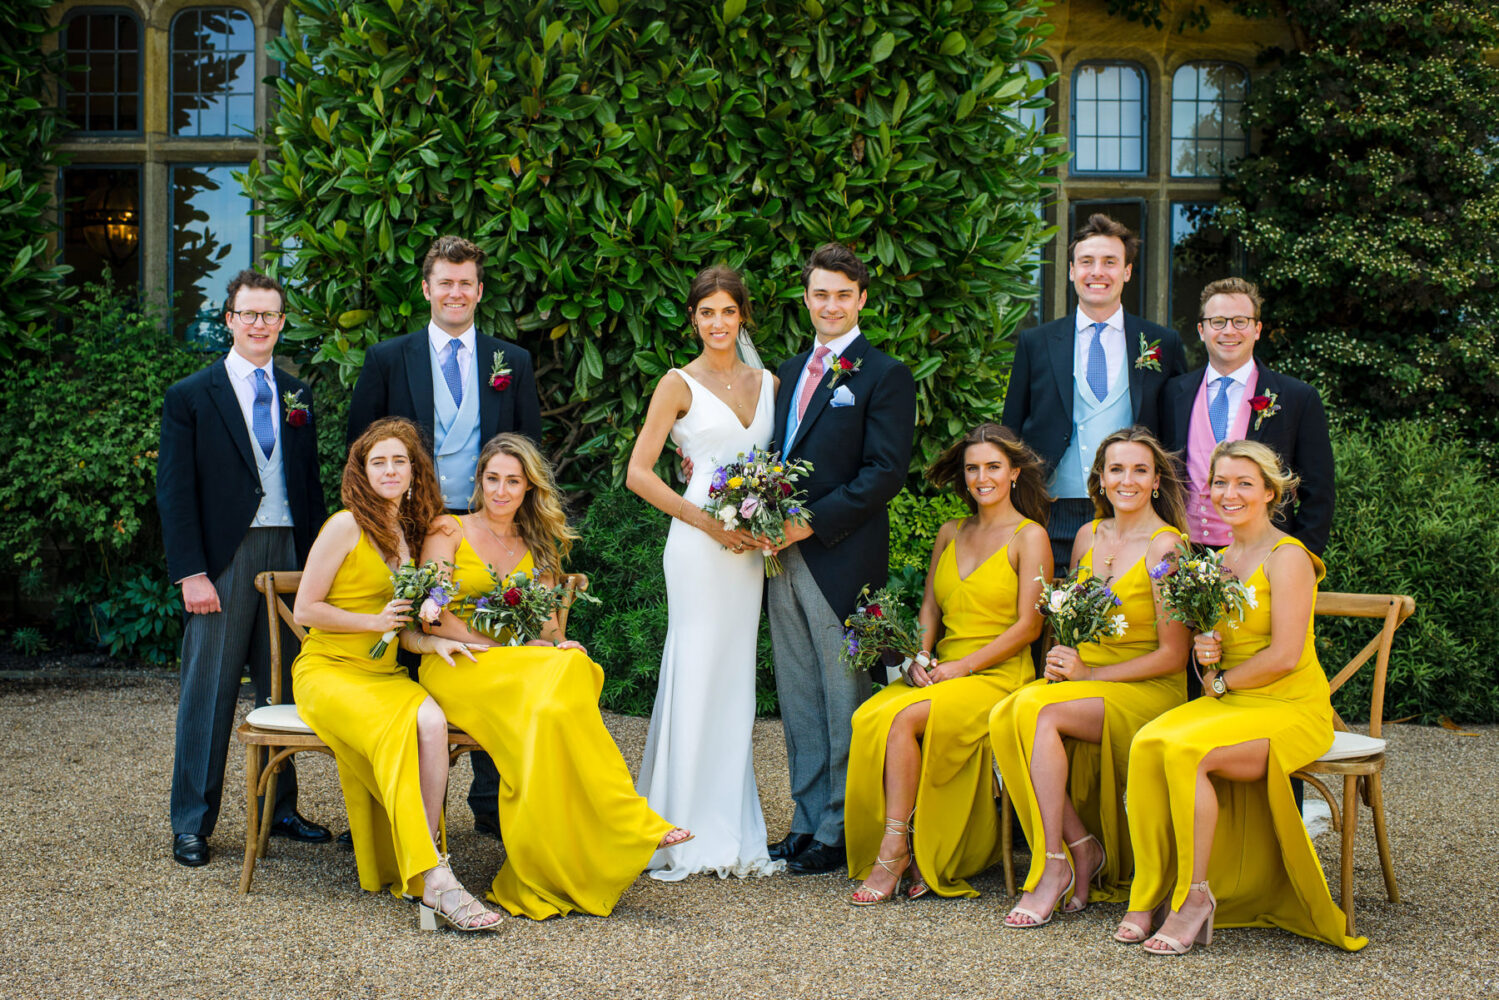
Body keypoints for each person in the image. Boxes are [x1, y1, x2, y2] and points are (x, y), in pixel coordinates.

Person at [417, 433, 692, 918]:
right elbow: (433, 618)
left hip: (518, 671)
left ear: (528, 489)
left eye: (513, 481)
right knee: (563, 675)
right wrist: (509, 647)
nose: (501, 491)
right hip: (457, 663)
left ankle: (560, 854)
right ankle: (627, 814)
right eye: (493, 479)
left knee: (570, 664)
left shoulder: (538, 544)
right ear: (479, 482)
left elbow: (544, 630)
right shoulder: (448, 530)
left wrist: (555, 643)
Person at [1124, 439, 1365, 953]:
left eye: (1243, 483)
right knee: (1147, 743)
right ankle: (1148, 895)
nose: (1228, 493)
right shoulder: (1219, 560)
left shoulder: (1289, 557)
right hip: (1230, 701)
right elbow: (1212, 654)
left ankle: (1196, 897)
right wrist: (1204, 649)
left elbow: (1283, 656)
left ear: (1271, 492)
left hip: (1290, 708)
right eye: (1220, 482)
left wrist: (1221, 682)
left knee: (1189, 753)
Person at [346, 234, 542, 837]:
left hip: (492, 528)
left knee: (495, 640)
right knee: (415, 653)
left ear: (479, 291)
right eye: (445, 282)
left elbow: (528, 449)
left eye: (466, 283)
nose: (456, 292)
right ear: (427, 289)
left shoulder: (512, 360)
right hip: (409, 529)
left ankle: (490, 804)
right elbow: (361, 454)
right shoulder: (387, 359)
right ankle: (406, 809)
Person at [290, 418, 500, 932]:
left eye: (399, 461)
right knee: (401, 729)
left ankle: (428, 870)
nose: (389, 469)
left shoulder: (407, 537)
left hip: (382, 673)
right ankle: (436, 879)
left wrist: (435, 640)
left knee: (430, 721)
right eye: (377, 461)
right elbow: (305, 609)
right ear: (362, 471)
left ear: (414, 472)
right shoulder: (344, 525)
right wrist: (372, 621)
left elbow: (401, 630)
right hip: (329, 671)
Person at [157, 268, 329, 868]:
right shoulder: (190, 397)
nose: (260, 324)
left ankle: (279, 810)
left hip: (288, 553)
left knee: (283, 684)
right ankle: (192, 823)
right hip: (224, 560)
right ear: (228, 320)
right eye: (249, 314)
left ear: (282, 323)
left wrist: (316, 566)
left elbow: (307, 486)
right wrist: (191, 573)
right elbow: (175, 494)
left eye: (271, 315)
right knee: (209, 691)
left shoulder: (299, 393)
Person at [988, 426, 1190, 928]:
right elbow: (1069, 619)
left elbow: (1173, 654)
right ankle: (1079, 845)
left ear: (1157, 481)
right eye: (1116, 469)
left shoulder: (1167, 548)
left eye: (1140, 470)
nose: (1128, 480)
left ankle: (1054, 864)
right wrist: (1061, 654)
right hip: (1086, 681)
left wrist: (1091, 671)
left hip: (1145, 690)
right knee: (1007, 711)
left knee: (1040, 712)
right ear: (1098, 478)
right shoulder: (1087, 535)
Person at [845, 424, 1051, 904]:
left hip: (998, 676)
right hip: (943, 670)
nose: (982, 477)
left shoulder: (1030, 536)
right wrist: (919, 655)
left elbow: (1029, 627)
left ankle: (895, 847)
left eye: (993, 467)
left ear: (1014, 473)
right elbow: (929, 611)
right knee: (868, 716)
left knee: (902, 720)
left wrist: (964, 667)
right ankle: (912, 842)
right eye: (973, 468)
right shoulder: (950, 532)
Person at [625, 265, 784, 880]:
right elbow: (639, 473)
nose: (717, 323)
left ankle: (728, 824)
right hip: (697, 547)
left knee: (734, 677)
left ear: (743, 316)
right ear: (693, 319)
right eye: (706, 312)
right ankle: (677, 828)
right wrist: (705, 521)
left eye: (728, 311)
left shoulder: (770, 382)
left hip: (747, 554)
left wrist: (768, 520)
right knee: (693, 670)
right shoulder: (677, 383)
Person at [765, 243, 917, 875]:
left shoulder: (883, 373)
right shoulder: (789, 368)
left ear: (861, 299)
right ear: (807, 299)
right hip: (778, 555)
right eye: (820, 294)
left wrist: (810, 521)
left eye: (842, 294)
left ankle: (841, 826)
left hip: (840, 554)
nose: (830, 304)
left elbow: (885, 472)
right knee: (799, 695)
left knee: (842, 694)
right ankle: (805, 820)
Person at [1001, 214, 1187, 571]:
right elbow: (1012, 431)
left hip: (1135, 509)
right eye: (1086, 262)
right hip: (1052, 506)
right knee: (1049, 616)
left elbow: (1173, 434)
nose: (1097, 272)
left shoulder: (1163, 342)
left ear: (1127, 272)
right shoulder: (1035, 342)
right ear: (1072, 271)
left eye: (1109, 262)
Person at [1161, 277, 1334, 555]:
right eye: (1218, 321)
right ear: (1202, 330)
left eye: (1240, 321)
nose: (1229, 330)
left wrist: (1301, 557)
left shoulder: (1297, 397)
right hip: (1184, 551)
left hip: (1263, 554)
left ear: (1257, 329)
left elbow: (1319, 492)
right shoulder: (1171, 393)